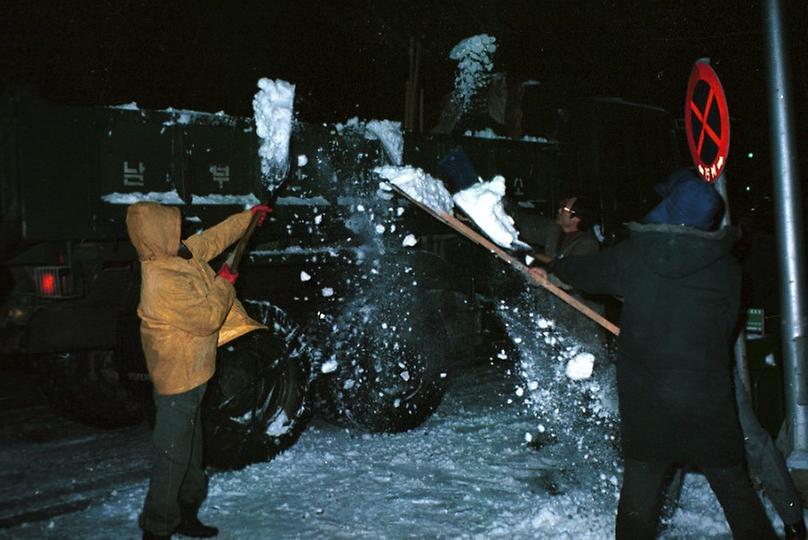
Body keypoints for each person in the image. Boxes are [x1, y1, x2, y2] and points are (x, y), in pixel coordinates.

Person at [530, 169, 777, 539]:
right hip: (707, 402)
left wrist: (554, 270)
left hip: (649, 402)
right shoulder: (728, 270)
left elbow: (590, 272)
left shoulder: (636, 256)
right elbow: (723, 329)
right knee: (737, 495)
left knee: (638, 503)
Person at [126, 201, 270, 540]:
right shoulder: (160, 280)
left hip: (196, 373)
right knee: (172, 457)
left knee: (191, 452)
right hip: (178, 382)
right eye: (171, 228)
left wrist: (249, 218)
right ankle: (157, 529)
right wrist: (224, 281)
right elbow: (207, 319)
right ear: (156, 235)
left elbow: (214, 239)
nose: (180, 233)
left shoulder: (177, 255)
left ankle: (185, 514)